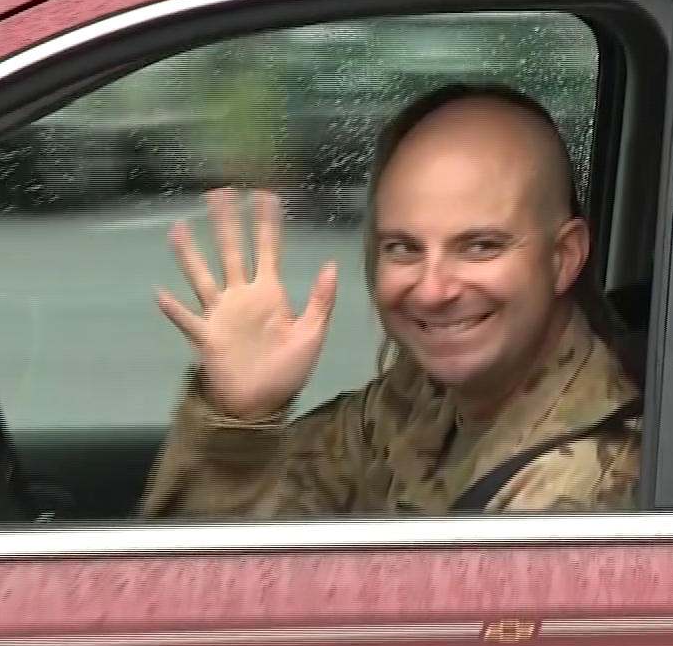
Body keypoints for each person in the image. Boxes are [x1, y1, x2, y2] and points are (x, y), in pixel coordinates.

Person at [137, 83, 643, 519]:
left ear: (563, 257)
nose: (433, 289)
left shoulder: (581, 485)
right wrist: (241, 413)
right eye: (404, 248)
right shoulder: (417, 398)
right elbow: (205, 572)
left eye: (481, 246)